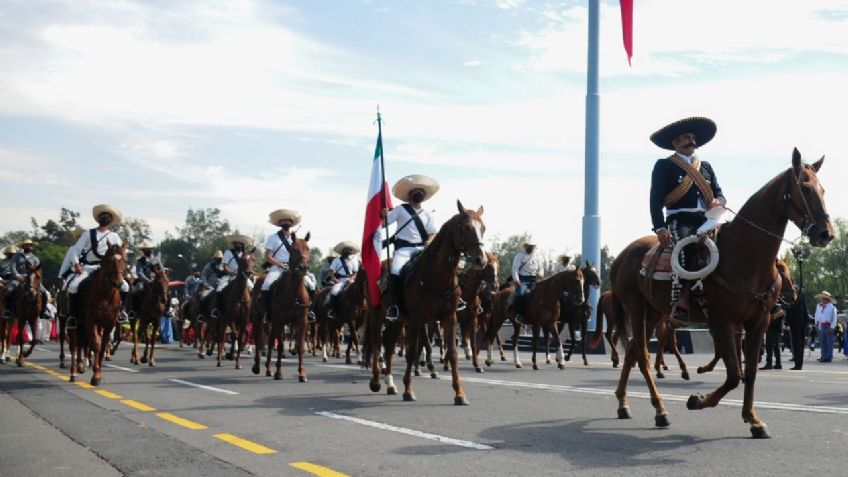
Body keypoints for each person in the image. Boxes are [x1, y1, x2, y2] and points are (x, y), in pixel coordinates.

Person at [649, 117, 726, 326]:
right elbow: (655, 199)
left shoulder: (706, 167)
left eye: (693, 138)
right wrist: (660, 227)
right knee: (685, 248)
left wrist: (718, 201)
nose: (691, 141)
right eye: (686, 138)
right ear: (675, 143)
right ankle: (682, 301)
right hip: (680, 219)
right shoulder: (665, 166)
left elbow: (720, 194)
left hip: (707, 219)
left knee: (732, 244)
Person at [382, 174, 442, 321]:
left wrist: (429, 242)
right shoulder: (400, 209)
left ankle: (446, 301)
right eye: (415, 192)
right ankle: (394, 306)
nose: (418, 194)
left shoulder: (427, 214)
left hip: (423, 249)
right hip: (404, 250)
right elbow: (384, 225)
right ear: (409, 195)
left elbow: (432, 233)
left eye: (421, 192)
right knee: (395, 271)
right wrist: (384, 215)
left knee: (441, 266)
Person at [66, 205, 130, 329]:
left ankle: (121, 311)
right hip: (89, 267)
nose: (105, 218)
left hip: (108, 271)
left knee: (125, 286)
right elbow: (76, 250)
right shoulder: (88, 233)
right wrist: (76, 264)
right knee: (73, 287)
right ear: (98, 218)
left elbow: (121, 254)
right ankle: (72, 317)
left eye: (108, 217)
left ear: (110, 221)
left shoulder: (115, 236)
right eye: (102, 216)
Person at [259, 209, 300, 323]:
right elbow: (268, 256)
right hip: (277, 268)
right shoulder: (273, 238)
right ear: (280, 224)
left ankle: (309, 311)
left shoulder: (296, 239)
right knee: (266, 285)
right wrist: (280, 265)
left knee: (311, 284)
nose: (286, 223)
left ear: (291, 224)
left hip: (294, 268)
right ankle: (268, 313)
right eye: (283, 221)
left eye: (288, 221)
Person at [2, 238, 50, 320]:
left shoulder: (36, 258)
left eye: (30, 245)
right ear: (23, 247)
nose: (28, 247)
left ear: (32, 247)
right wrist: (17, 275)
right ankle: (7, 310)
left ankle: (44, 311)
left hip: (32, 280)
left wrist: (36, 279)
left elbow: (38, 271)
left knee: (44, 292)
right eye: (26, 245)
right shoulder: (17, 256)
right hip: (18, 279)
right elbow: (12, 266)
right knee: (9, 290)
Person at [212, 234, 254, 319]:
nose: (238, 245)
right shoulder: (228, 252)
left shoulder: (246, 255)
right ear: (234, 244)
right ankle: (218, 310)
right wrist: (231, 272)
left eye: (240, 244)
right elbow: (225, 266)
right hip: (230, 276)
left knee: (253, 289)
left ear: (242, 245)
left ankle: (252, 310)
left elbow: (249, 265)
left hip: (243, 276)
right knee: (219, 289)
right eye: (236, 243)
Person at [509, 240, 545, 325]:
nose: (531, 248)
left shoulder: (537, 257)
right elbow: (515, 268)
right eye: (530, 246)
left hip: (534, 280)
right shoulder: (519, 256)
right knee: (520, 294)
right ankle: (519, 315)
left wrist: (541, 273)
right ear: (526, 246)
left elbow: (541, 267)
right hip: (523, 280)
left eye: (533, 246)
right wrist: (516, 279)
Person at [326, 241, 360, 319]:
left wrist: (352, 278)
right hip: (340, 280)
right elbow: (331, 271)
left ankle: (362, 310)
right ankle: (332, 310)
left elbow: (356, 272)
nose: (348, 251)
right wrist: (334, 279)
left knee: (360, 291)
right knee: (335, 291)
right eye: (346, 249)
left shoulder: (353, 261)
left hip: (351, 280)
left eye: (349, 250)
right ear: (342, 251)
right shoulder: (337, 260)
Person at [197, 251, 224, 321]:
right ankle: (201, 314)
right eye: (217, 258)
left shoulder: (224, 266)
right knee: (203, 296)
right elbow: (203, 276)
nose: (218, 260)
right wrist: (206, 285)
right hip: (210, 287)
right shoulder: (209, 266)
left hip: (222, 287)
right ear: (214, 258)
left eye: (220, 258)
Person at [760, 304, 786, 370]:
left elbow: (781, 314)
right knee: (775, 347)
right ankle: (778, 364)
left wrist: (771, 317)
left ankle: (769, 363)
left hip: (773, 328)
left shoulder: (776, 307)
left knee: (769, 346)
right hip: (776, 329)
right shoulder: (778, 306)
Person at [814, 291, 837, 363]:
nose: (823, 300)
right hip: (820, 325)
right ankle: (823, 356)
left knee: (829, 342)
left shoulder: (832, 307)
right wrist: (816, 324)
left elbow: (834, 318)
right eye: (822, 298)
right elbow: (816, 315)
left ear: (828, 300)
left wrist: (832, 327)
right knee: (822, 342)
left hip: (828, 326)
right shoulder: (818, 306)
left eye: (824, 298)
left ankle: (828, 356)